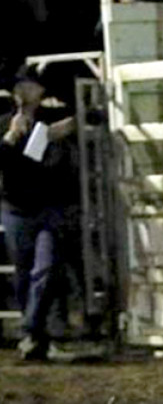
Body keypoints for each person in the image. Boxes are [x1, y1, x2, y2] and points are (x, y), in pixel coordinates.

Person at [0, 65, 79, 360]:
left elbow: (57, 163)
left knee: (43, 269)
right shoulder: (6, 124)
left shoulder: (53, 121)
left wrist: (45, 135)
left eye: (29, 85)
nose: (24, 90)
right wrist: (11, 137)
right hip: (17, 208)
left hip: (45, 207)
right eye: (20, 85)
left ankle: (31, 330)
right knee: (26, 274)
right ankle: (37, 338)